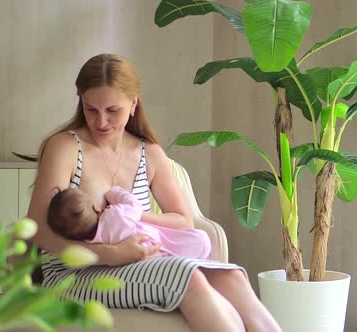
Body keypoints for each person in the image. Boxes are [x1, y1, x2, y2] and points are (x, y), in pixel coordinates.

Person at [27, 53, 282, 332]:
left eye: (113, 111)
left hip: (141, 260)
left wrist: (134, 217)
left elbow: (182, 219)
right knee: (190, 278)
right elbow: (38, 229)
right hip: (73, 271)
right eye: (91, 109)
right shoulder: (65, 147)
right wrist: (108, 254)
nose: (101, 122)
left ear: (133, 104)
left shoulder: (149, 153)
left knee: (232, 276)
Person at [46, 185, 211, 259]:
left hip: (145, 259)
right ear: (97, 208)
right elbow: (133, 204)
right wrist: (114, 192)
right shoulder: (114, 217)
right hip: (153, 241)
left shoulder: (89, 240)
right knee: (200, 239)